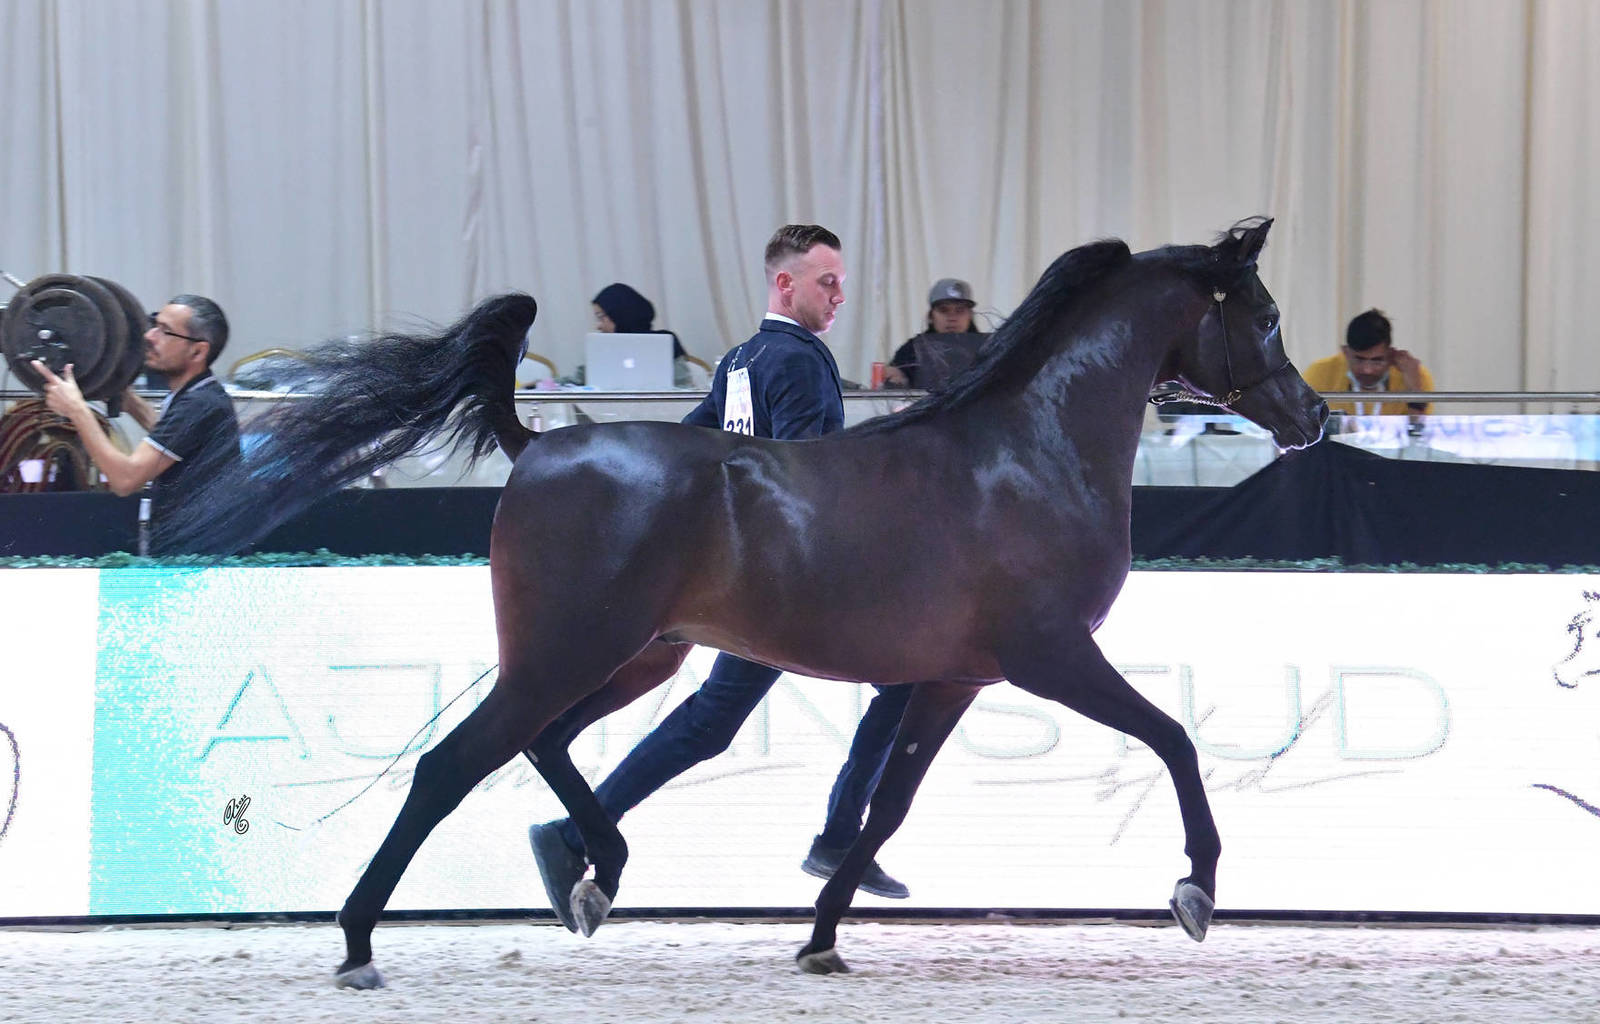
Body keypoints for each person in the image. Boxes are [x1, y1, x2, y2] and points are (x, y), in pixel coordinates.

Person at [529, 225, 916, 911]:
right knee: (912, 680)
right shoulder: (799, 358)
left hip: (751, 578)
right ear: (784, 283)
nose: (841, 296)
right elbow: (808, 474)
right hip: (799, 580)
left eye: (842, 282)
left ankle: (575, 832)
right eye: (828, 281)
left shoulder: (740, 359)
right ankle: (838, 834)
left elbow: (688, 442)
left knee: (711, 721)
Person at [31, 295, 241, 532]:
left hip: (191, 558)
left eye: (165, 331)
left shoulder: (199, 404)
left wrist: (77, 410)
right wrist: (127, 399)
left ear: (198, 352)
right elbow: (174, 438)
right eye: (154, 324)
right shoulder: (200, 395)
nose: (149, 336)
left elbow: (125, 480)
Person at [1301, 308, 1434, 416]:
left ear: (1391, 353)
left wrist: (1415, 391)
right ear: (1345, 352)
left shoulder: (1416, 375)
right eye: (1359, 359)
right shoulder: (1320, 372)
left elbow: (1415, 438)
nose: (1367, 370)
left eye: (1377, 360)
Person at [881, 277, 987, 389]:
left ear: (970, 315)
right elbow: (894, 378)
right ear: (931, 316)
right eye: (944, 310)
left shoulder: (988, 348)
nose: (952, 318)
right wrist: (896, 377)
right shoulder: (912, 350)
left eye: (960, 310)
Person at [591, 282, 693, 386]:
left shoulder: (664, 343)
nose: (598, 326)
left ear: (619, 314)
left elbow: (683, 388)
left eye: (600, 317)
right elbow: (577, 383)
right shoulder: (602, 349)